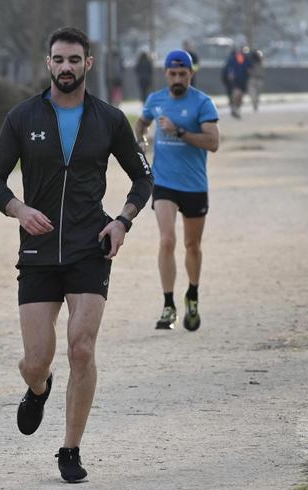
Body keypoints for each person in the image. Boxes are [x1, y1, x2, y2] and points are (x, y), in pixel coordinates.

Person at [0, 27, 153, 483]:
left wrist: (122, 221)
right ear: (48, 64)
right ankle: (38, 388)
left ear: (88, 65)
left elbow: (143, 179)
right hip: (38, 250)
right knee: (36, 360)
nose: (66, 67)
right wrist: (18, 210)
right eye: (58, 59)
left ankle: (70, 448)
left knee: (82, 348)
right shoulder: (22, 117)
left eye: (74, 60)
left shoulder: (110, 119)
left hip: (88, 247)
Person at [133, 49, 220, 332]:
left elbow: (213, 142)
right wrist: (141, 140)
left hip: (194, 185)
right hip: (164, 183)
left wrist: (179, 132)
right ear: (165, 74)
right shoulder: (155, 100)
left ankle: (192, 294)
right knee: (167, 240)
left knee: (192, 246)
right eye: (173, 74)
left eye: (183, 74)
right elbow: (142, 121)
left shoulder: (202, 103)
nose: (178, 78)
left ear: (191, 74)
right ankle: (168, 304)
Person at [222, 46, 251, 118]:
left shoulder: (247, 59)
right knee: (236, 93)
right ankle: (234, 108)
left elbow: (249, 68)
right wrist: (230, 74)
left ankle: (236, 109)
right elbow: (229, 68)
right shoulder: (233, 59)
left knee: (240, 96)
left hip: (243, 80)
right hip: (235, 80)